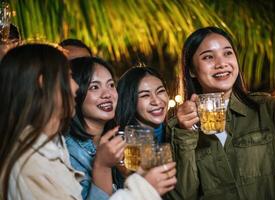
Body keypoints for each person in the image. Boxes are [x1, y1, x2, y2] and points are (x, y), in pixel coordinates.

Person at [165, 26, 275, 200]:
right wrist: (185, 134)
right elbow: (182, 196)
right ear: (191, 70)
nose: (221, 63)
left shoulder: (264, 108)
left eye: (227, 53)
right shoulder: (177, 129)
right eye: (208, 57)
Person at [65, 58, 176, 199]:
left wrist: (129, 175)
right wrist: (102, 167)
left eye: (111, 85)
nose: (107, 94)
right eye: (94, 87)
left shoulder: (118, 141)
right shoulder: (69, 152)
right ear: (74, 93)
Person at [0, 43, 81, 199]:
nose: (76, 86)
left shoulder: (53, 146)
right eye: (68, 76)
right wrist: (138, 185)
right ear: (43, 83)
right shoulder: (29, 164)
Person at [115, 66, 169, 144]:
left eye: (160, 91)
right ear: (129, 101)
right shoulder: (121, 143)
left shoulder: (177, 134)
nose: (157, 101)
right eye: (145, 95)